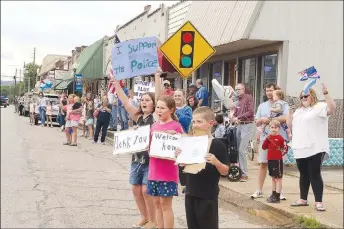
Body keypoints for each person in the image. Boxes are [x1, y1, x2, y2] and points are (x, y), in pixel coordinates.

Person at [113, 69, 162, 228]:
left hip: (150, 159)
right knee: (135, 189)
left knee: (146, 191)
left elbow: (160, 96)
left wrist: (156, 76)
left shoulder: (155, 117)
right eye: (142, 99)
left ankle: (153, 221)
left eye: (147, 100)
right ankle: (145, 217)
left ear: (154, 103)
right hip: (137, 159)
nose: (143, 102)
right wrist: (115, 83)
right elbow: (125, 102)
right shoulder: (138, 116)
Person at [176, 107, 228, 229]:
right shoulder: (190, 143)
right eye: (193, 122)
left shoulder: (218, 144)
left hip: (207, 196)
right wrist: (180, 158)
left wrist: (216, 162)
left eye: (199, 122)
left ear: (210, 123)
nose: (195, 125)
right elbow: (183, 172)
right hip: (190, 193)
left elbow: (225, 171)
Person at [288, 84, 336, 211]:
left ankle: (318, 201)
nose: (303, 98)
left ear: (312, 96)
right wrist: (290, 112)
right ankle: (303, 199)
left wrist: (326, 94)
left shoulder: (319, 107)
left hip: (316, 147)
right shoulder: (298, 111)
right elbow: (290, 126)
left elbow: (332, 108)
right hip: (299, 147)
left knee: (314, 173)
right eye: (301, 96)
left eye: (306, 95)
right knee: (303, 174)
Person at [147, 95, 183, 229]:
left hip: (168, 173)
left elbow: (181, 146)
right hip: (153, 171)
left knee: (165, 205)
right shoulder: (154, 126)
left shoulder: (176, 126)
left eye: (163, 108)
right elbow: (149, 146)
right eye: (158, 107)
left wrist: (174, 137)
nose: (159, 110)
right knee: (156, 203)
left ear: (172, 110)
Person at [251, 83, 289, 200]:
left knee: (279, 166)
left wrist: (271, 120)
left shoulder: (283, 104)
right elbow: (256, 121)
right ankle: (259, 190)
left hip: (279, 139)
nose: (269, 93)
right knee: (263, 163)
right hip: (266, 139)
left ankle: (278, 192)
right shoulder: (262, 106)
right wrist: (262, 120)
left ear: (276, 91)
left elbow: (286, 118)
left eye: (271, 90)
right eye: (267, 90)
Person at [231, 83, 254, 182]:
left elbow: (251, 112)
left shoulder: (248, 98)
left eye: (239, 89)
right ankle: (240, 172)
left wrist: (238, 117)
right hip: (239, 125)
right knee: (237, 149)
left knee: (241, 150)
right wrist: (233, 118)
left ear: (243, 89)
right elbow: (235, 114)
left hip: (247, 124)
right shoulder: (237, 102)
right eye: (236, 89)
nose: (237, 91)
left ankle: (244, 174)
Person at [262, 120, 287, 203]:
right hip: (270, 160)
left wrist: (282, 153)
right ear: (269, 128)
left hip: (277, 160)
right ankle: (273, 194)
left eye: (275, 128)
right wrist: (267, 139)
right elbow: (264, 147)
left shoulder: (280, 138)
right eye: (272, 127)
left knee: (278, 178)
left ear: (279, 128)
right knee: (273, 178)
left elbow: (285, 147)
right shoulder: (269, 137)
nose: (273, 129)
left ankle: (277, 195)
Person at [173, 89, 192, 195]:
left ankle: (185, 184)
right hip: (173, 138)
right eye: (175, 96)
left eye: (179, 95)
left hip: (184, 137)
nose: (177, 98)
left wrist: (176, 114)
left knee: (183, 161)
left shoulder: (188, 109)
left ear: (184, 96)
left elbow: (187, 121)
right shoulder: (171, 108)